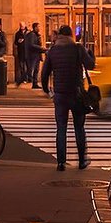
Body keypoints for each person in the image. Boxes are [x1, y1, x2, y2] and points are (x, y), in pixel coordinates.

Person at [41, 24, 95, 171]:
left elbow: (45, 74)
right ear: (71, 35)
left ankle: (61, 162)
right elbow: (90, 65)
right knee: (79, 127)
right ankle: (82, 160)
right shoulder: (77, 48)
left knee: (61, 128)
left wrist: (47, 91)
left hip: (60, 94)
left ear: (59, 35)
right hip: (76, 94)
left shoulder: (53, 51)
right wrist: (90, 53)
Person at [25, 21, 47, 88]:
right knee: (31, 69)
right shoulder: (32, 35)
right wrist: (41, 48)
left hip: (37, 55)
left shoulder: (37, 35)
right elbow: (31, 45)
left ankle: (35, 83)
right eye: (38, 27)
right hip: (33, 55)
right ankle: (23, 79)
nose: (39, 28)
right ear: (35, 27)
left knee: (36, 70)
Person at [13, 21, 29, 85]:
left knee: (28, 66)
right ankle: (24, 78)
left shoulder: (28, 33)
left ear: (25, 25)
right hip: (21, 52)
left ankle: (28, 78)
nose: (21, 26)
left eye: (22, 25)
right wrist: (18, 41)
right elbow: (15, 43)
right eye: (20, 25)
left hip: (27, 52)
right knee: (22, 66)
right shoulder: (18, 33)